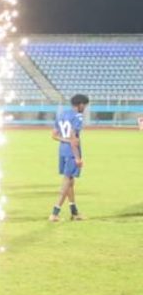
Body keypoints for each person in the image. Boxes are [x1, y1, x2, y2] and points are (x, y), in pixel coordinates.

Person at [50, 94, 89, 222]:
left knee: (70, 181)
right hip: (72, 152)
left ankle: (74, 212)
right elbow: (73, 137)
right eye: (85, 105)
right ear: (81, 104)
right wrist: (77, 157)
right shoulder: (77, 117)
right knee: (67, 181)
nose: (85, 108)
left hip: (62, 151)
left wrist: (65, 140)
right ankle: (55, 213)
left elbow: (54, 135)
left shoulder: (62, 114)